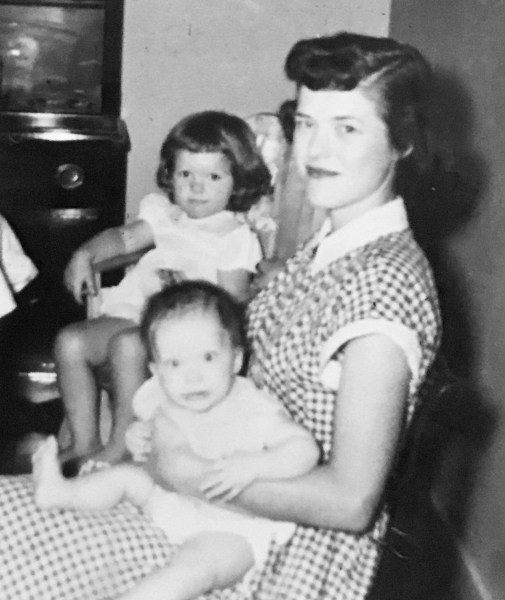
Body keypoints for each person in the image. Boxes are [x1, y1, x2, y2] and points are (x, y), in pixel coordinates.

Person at [0, 32, 442, 600]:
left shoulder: (382, 288)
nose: (317, 150)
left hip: (274, 550)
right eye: (307, 123)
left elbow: (350, 503)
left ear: (403, 141)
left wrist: (182, 472)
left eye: (348, 128)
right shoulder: (332, 246)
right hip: (207, 478)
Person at [32, 280, 319, 600]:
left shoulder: (252, 406)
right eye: (175, 363)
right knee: (125, 477)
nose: (192, 376)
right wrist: (139, 436)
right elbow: (153, 429)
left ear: (236, 359)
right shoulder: (164, 396)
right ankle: (62, 494)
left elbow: (304, 450)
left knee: (195, 568)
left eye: (208, 357)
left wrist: (255, 466)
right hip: (176, 501)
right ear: (156, 370)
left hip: (232, 527)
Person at [55, 110, 271, 466]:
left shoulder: (233, 237)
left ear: (238, 182)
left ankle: (121, 446)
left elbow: (231, 304)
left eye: (213, 176)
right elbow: (122, 239)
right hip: (132, 315)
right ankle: (84, 441)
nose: (196, 187)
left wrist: (189, 300)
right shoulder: (164, 215)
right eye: (186, 174)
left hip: (182, 338)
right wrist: (85, 254)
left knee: (127, 345)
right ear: (170, 175)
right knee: (70, 341)